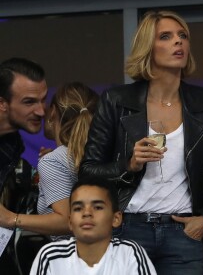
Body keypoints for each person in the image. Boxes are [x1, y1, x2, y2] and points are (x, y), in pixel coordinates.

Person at [79, 10, 203, 275]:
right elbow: (88, 171)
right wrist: (129, 165)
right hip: (127, 229)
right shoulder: (116, 100)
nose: (178, 42)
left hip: (182, 232)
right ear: (147, 48)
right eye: (166, 36)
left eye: (183, 35)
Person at [0, 82, 99, 242]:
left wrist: (11, 218)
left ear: (52, 113)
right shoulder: (97, 154)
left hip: (71, 257)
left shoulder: (53, 161)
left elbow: (68, 220)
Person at [30, 175, 157, 275]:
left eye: (97, 207)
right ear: (70, 222)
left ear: (116, 218)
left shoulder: (129, 254)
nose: (86, 213)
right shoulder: (51, 256)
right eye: (78, 208)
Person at [0, 57, 47, 275]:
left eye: (43, 100)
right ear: (2, 103)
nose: (41, 111)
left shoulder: (13, 143)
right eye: (29, 102)